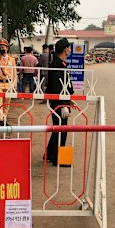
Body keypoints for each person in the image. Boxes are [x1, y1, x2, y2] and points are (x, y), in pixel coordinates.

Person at [45, 38, 74, 166]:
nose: (70, 50)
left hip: (61, 101)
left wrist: (69, 101)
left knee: (58, 128)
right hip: (58, 102)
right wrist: (63, 104)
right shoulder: (57, 65)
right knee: (62, 129)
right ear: (65, 49)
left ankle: (50, 153)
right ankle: (58, 158)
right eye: (68, 47)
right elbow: (57, 87)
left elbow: (64, 85)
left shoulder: (61, 63)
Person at [0, 38, 17, 126]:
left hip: (8, 83)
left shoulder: (12, 59)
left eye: (3, 47)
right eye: (0, 47)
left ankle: (4, 119)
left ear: (7, 48)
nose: (2, 48)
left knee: (7, 104)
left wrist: (14, 85)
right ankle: (0, 120)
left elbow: (14, 73)